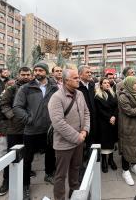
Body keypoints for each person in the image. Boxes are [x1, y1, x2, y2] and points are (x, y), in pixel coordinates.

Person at [13, 61, 57, 200]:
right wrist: (29, 119)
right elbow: (17, 107)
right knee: (27, 159)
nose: (37, 72)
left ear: (46, 72)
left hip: (49, 129)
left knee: (50, 154)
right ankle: (25, 185)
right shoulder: (26, 88)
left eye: (40, 70)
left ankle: (49, 174)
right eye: (36, 70)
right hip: (31, 130)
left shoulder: (54, 87)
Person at [48, 68, 90, 200]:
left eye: (78, 77)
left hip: (79, 140)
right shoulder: (56, 98)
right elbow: (58, 123)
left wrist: (85, 130)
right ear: (66, 81)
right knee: (60, 175)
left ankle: (74, 192)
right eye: (75, 78)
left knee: (76, 168)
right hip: (64, 144)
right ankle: (59, 197)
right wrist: (77, 136)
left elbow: (86, 113)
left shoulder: (80, 94)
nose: (78, 80)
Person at [0, 67, 33, 196]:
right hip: (14, 128)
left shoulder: (34, 88)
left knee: (27, 156)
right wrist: (13, 115)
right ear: (18, 75)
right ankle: (6, 180)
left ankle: (25, 184)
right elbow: (4, 104)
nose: (26, 76)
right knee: (11, 155)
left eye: (28, 74)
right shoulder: (12, 89)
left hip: (29, 127)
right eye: (23, 74)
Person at [94, 78, 118, 173]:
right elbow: (100, 110)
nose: (107, 84)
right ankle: (104, 160)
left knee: (112, 141)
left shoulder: (113, 94)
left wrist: (114, 117)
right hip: (103, 123)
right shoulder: (97, 96)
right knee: (104, 142)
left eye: (108, 82)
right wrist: (109, 118)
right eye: (104, 83)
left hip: (113, 122)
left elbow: (116, 107)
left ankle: (111, 160)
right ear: (101, 85)